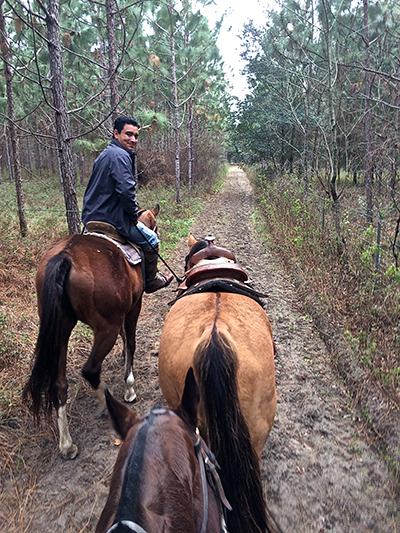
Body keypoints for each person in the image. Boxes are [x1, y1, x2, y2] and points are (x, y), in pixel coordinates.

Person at [82, 115, 173, 293]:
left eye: (136, 136)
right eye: (128, 134)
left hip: (92, 218)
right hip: (113, 219)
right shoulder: (121, 155)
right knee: (152, 239)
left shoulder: (104, 155)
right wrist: (132, 215)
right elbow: (125, 190)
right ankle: (152, 280)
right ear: (116, 133)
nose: (133, 139)